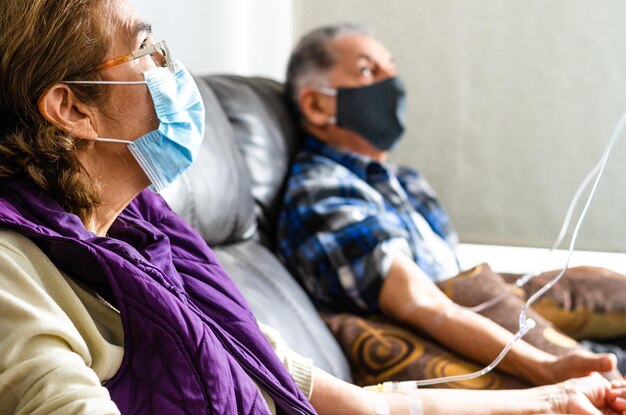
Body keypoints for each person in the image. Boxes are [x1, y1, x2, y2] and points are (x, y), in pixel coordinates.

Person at [1, 2, 626, 414]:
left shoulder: (162, 255)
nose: (173, 69)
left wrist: (556, 398)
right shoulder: (15, 277)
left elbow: (365, 406)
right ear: (72, 109)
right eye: (147, 52)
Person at [278, 23, 621, 388]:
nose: (391, 83)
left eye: (391, 68)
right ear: (316, 105)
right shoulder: (321, 191)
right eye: (367, 71)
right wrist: (543, 366)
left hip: (491, 331)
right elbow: (421, 302)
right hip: (464, 354)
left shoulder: (406, 182)